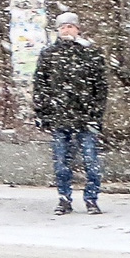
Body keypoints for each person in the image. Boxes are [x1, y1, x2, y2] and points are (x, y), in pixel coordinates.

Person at [33, 11, 109, 216]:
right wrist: (42, 113)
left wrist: (95, 114)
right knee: (61, 165)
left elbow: (100, 87)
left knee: (91, 163)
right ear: (58, 31)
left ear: (78, 29)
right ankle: (64, 199)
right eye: (62, 27)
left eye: (70, 26)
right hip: (60, 118)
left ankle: (91, 199)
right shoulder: (49, 54)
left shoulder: (91, 53)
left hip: (86, 119)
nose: (66, 30)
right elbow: (41, 86)